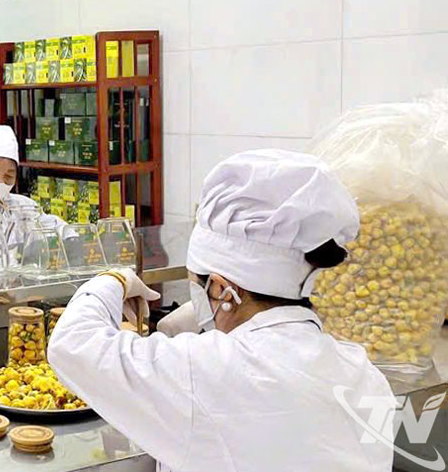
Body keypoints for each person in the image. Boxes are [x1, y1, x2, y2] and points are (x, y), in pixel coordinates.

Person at [48, 149, 395, 472]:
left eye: (195, 285)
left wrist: (113, 280)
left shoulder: (207, 370)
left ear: (220, 289)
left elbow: (72, 345)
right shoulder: (364, 375)